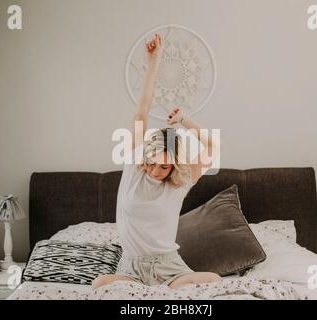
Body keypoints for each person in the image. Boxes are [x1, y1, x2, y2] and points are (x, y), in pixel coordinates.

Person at [92, 34, 221, 290]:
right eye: (152, 162)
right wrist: (153, 62)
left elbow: (212, 146)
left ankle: (168, 291)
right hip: (132, 266)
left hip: (170, 266)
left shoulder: (180, 183)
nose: (155, 170)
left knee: (214, 281)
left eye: (164, 166)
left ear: (174, 166)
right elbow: (142, 110)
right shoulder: (133, 168)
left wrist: (185, 121)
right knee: (99, 285)